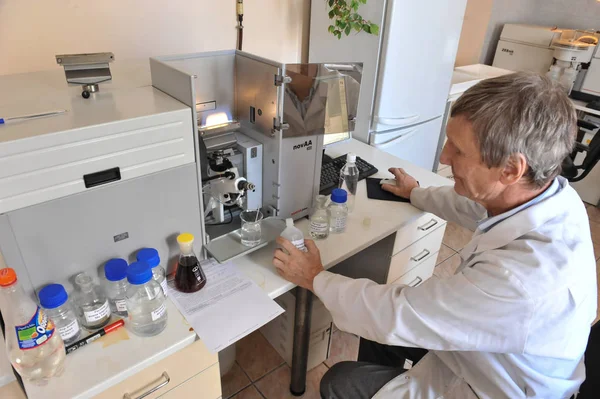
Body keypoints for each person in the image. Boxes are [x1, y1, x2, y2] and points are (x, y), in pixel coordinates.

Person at [272, 72, 598, 398]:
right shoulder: (549, 196)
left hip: (490, 387)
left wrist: (315, 277)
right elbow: (476, 205)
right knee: (376, 325)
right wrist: (416, 193)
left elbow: (397, 315)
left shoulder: (522, 282)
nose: (443, 157)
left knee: (339, 381)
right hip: (488, 352)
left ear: (511, 169)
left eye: (458, 150)